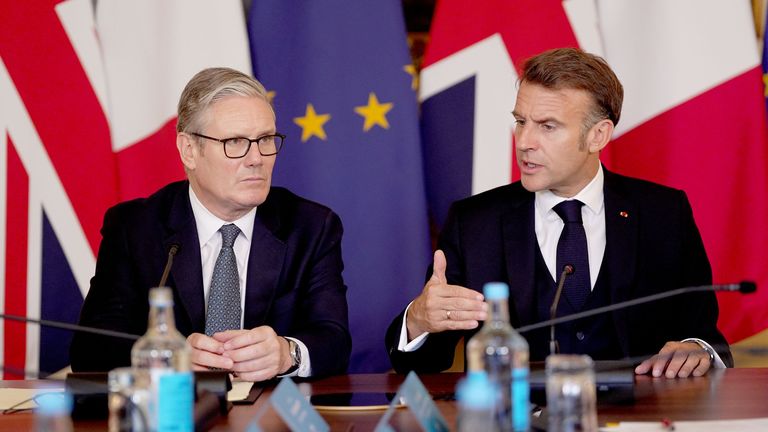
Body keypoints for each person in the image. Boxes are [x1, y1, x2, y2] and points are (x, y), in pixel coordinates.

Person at [385, 47, 732, 378]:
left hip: (640, 416)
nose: (524, 141)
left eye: (547, 126)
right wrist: (418, 320)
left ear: (598, 135)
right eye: (521, 121)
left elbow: (704, 336)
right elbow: (425, 363)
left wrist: (696, 349)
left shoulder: (663, 214)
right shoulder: (475, 222)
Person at [70, 67, 351, 381]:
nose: (256, 158)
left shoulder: (311, 227)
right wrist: (165, 360)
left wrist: (289, 353)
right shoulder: (135, 228)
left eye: (265, 139)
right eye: (235, 142)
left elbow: (334, 340)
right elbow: (91, 349)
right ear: (189, 150)